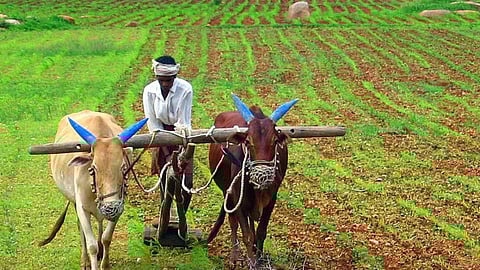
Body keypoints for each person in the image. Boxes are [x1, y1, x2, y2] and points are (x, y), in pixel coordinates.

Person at [142, 55, 193, 212]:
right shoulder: (149, 91)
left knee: (187, 181)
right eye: (161, 80)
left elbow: (183, 122)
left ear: (175, 76)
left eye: (169, 80)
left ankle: (181, 213)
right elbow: (153, 124)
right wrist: (166, 153)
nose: (165, 84)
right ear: (156, 77)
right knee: (164, 178)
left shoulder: (185, 89)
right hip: (160, 136)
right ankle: (165, 211)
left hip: (181, 135)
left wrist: (180, 154)